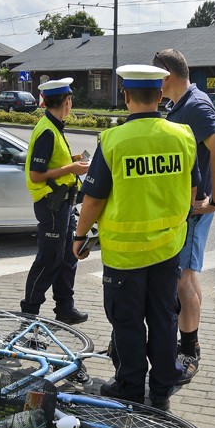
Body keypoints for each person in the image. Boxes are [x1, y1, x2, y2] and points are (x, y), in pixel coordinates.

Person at [73, 64, 201, 410]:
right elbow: (193, 192)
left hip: (124, 256)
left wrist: (80, 237)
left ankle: (130, 387)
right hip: (167, 250)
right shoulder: (183, 136)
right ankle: (161, 389)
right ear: (160, 96)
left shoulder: (113, 140)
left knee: (127, 323)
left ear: (126, 96)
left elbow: (93, 199)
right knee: (163, 319)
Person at [153, 48, 215, 379]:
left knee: (181, 280)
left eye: (155, 76)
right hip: (186, 208)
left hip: (194, 209)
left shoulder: (196, 105)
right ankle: (190, 341)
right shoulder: (181, 104)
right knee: (189, 275)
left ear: (167, 75)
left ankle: (189, 350)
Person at [19, 77, 90, 325]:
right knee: (49, 260)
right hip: (52, 205)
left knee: (68, 257)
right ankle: (29, 313)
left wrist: (71, 160)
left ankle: (65, 308)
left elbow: (50, 163)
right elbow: (36, 174)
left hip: (63, 204)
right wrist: (71, 168)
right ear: (67, 101)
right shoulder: (48, 131)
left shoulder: (53, 126)